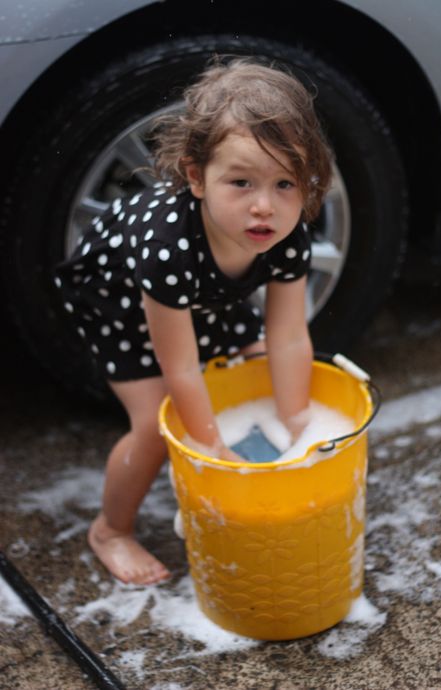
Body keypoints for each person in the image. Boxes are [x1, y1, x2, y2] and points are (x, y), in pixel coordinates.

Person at [55, 57, 332, 585]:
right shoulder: (167, 247)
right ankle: (111, 529)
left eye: (285, 184)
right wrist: (211, 448)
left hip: (205, 297)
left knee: (260, 373)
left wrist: (298, 421)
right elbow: (180, 368)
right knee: (160, 425)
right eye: (242, 182)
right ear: (196, 176)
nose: (264, 209)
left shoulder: (288, 229)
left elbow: (289, 335)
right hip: (122, 302)